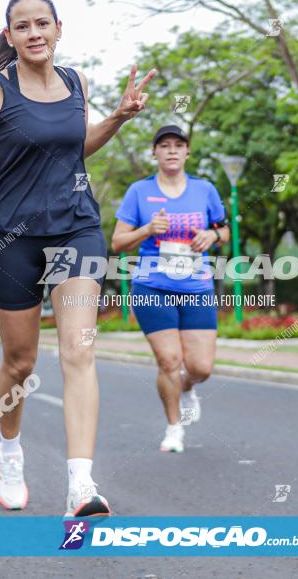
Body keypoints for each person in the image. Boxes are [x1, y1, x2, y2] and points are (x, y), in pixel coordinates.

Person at [0, 0, 154, 515]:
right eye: (23, 26)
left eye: (43, 23)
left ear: (58, 28)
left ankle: (80, 484)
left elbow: (75, 144)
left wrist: (120, 117)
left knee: (79, 351)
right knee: (20, 362)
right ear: (10, 35)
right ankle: (10, 449)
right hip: (12, 239)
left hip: (76, 229)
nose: (34, 32)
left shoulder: (77, 83)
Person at [111, 125, 229, 453]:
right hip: (152, 286)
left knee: (201, 368)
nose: (172, 150)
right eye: (164, 145)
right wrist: (147, 229)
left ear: (188, 152)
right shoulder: (139, 192)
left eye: (179, 145)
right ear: (155, 153)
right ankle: (174, 428)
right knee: (169, 361)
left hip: (196, 286)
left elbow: (225, 231)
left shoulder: (205, 190)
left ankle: (188, 388)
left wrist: (213, 236)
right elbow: (118, 242)